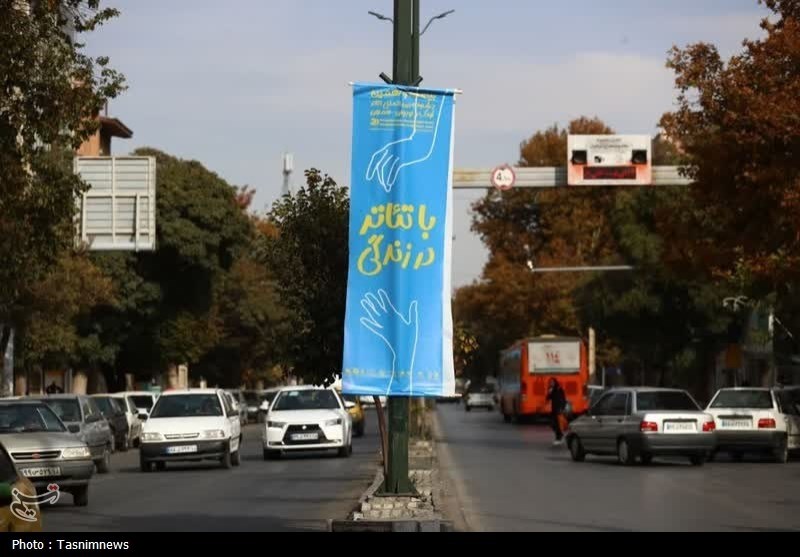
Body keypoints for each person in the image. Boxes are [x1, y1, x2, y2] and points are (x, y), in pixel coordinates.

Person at [546, 378, 567, 446]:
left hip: (559, 409)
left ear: (555, 382)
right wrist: (549, 392)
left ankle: (558, 438)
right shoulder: (552, 390)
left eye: (552, 382)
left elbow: (563, 399)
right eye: (550, 382)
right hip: (554, 409)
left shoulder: (559, 389)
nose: (551, 383)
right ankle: (559, 436)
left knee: (558, 424)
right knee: (553, 424)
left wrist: (562, 407)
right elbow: (548, 398)